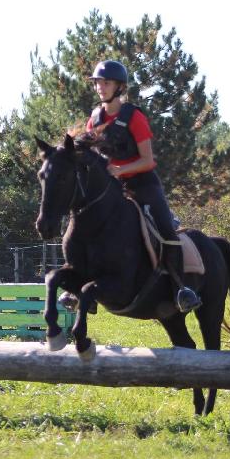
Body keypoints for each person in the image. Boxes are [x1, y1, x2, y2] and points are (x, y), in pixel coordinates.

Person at [84, 59, 201, 313]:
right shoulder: (93, 120)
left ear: (119, 87)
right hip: (112, 190)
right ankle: (80, 289)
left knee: (165, 229)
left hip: (143, 184)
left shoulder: (134, 117)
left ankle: (181, 289)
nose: (101, 87)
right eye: (98, 83)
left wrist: (119, 170)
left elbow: (148, 161)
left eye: (106, 82)